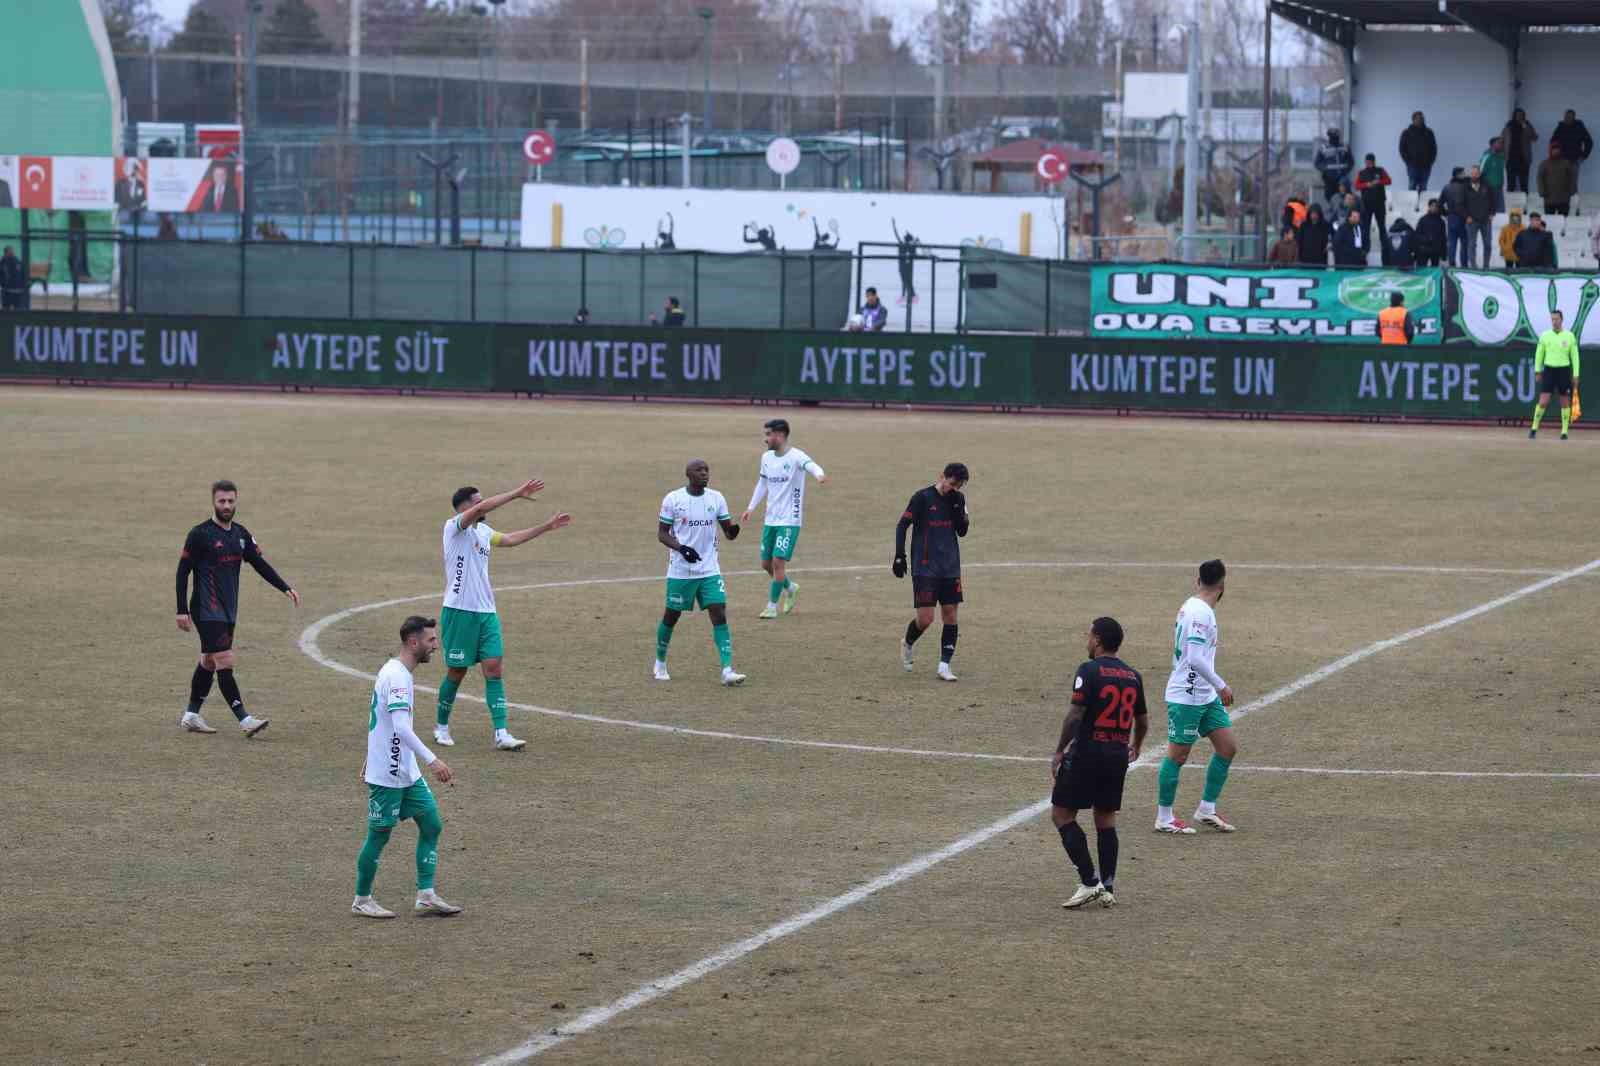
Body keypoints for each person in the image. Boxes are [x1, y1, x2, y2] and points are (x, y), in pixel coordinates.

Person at [434, 480, 572, 751]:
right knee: (457, 670)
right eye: (477, 501)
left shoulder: (483, 532)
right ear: (464, 507)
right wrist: (517, 494)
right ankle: (441, 726)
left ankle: (501, 733)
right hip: (459, 612)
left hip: (486, 612)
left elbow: (509, 539)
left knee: (494, 668)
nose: (482, 505)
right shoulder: (454, 527)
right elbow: (484, 507)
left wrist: (546, 526)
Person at [352, 615, 461, 920]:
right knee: (379, 835)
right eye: (431, 640)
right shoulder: (397, 676)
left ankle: (426, 895)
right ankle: (362, 899)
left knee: (431, 825)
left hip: (406, 771)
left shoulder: (398, 672)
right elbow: (400, 727)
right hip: (387, 772)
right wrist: (434, 760)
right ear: (414, 643)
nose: (436, 646)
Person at [175, 480, 300, 737]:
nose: (226, 506)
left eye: (231, 501)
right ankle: (245, 720)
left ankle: (191, 715)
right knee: (225, 659)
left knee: (209, 661)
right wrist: (181, 609)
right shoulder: (199, 534)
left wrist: (284, 587)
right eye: (222, 501)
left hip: (228, 610)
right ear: (213, 502)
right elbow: (182, 571)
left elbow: (259, 563)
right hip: (205, 609)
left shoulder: (241, 535)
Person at [1050, 616, 1148, 910]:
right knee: (1105, 819)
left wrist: (1059, 751)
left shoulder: (1089, 670)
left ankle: (1089, 882)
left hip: (1087, 753)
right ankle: (1108, 886)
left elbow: (1075, 715)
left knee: (1062, 814)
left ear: (1098, 640)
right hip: (1117, 754)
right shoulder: (1133, 676)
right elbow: (1142, 721)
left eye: (1089, 635)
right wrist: (1136, 745)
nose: (1087, 640)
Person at [1156, 559, 1237, 835]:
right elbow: (1194, 658)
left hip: (1203, 696)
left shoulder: (1191, 606)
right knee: (1177, 756)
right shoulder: (1200, 613)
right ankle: (1164, 817)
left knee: (1227, 747)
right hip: (1187, 695)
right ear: (1223, 586)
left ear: (1197, 580)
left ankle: (1206, 809)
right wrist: (1221, 685)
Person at [655, 459, 746, 686]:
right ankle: (660, 663)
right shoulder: (673, 499)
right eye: (699, 470)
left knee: (719, 612)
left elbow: (728, 531)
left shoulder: (716, 498)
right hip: (681, 571)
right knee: (671, 616)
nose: (704, 474)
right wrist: (681, 549)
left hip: (709, 569)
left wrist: (733, 532)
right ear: (688, 474)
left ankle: (727, 669)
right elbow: (662, 533)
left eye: (707, 470)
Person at [741, 419, 828, 620]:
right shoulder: (766, 458)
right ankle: (790, 587)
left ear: (780, 435)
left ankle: (771, 607)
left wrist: (820, 475)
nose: (766, 439)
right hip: (771, 519)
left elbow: (812, 466)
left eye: (769, 434)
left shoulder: (797, 456)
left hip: (790, 520)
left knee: (778, 563)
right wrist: (751, 508)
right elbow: (762, 483)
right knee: (766, 564)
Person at [893, 462, 970, 682]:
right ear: (942, 477)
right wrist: (900, 555)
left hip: (950, 567)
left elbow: (962, 531)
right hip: (925, 567)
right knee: (926, 619)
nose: (953, 488)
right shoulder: (922, 498)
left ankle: (944, 665)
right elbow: (902, 525)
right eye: (952, 483)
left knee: (951, 615)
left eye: (959, 485)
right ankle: (908, 642)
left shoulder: (958, 499)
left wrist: (959, 511)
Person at [1529, 309, 1580, 441]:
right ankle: (1534, 428)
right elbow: (1539, 354)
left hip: (1564, 370)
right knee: (1543, 401)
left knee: (1564, 402)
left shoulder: (1569, 336)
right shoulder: (1545, 336)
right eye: (1552, 319)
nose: (1554, 322)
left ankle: (1564, 432)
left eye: (1556, 319)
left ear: (1561, 320)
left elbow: (1575, 357)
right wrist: (1537, 370)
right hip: (1549, 370)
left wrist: (1576, 375)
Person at [1354, 153, 1392, 251]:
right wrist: (1366, 185)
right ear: (1365, 162)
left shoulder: (1380, 170)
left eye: (1371, 162)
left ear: (1374, 162)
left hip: (1379, 203)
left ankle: (1385, 247)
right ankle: (1366, 248)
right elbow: (1357, 186)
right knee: (1366, 226)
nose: (1369, 163)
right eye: (1367, 162)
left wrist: (1379, 182)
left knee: (1382, 226)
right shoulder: (1361, 173)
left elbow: (1388, 180)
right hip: (1366, 204)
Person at [1550, 109, 1593, 190]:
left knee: (1572, 184)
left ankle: (1574, 201)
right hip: (1561, 160)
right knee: (1561, 183)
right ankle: (1562, 201)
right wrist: (1555, 151)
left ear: (1574, 117)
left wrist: (1584, 156)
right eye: (1566, 116)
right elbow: (1553, 141)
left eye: (1570, 117)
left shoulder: (1579, 127)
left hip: (1575, 160)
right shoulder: (1560, 127)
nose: (1567, 118)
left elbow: (1589, 142)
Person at [1314, 128, 1354, 214]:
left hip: (1342, 178)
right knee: (1329, 195)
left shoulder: (1345, 147)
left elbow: (1351, 161)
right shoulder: (1323, 148)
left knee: (1347, 195)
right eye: (1333, 137)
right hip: (1329, 178)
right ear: (1329, 137)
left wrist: (1346, 170)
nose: (1335, 139)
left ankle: (1346, 211)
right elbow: (1317, 163)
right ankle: (1334, 210)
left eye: (1337, 137)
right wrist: (1325, 170)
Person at [1398, 111, 1438, 195]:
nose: (1421, 120)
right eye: (1418, 118)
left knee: (1423, 187)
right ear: (1413, 120)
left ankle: (1422, 206)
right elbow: (1402, 149)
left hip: (1426, 166)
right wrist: (1408, 162)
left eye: (1422, 118)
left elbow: (1434, 148)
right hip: (1412, 166)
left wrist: (1431, 161)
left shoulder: (1429, 132)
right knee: (1412, 186)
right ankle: (1412, 206)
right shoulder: (1406, 133)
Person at [1463, 165, 1495, 268]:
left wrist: (1492, 214)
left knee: (1488, 245)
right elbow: (1460, 204)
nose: (1474, 175)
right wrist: (1466, 216)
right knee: (1472, 245)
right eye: (1472, 173)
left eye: (1476, 173)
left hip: (1486, 220)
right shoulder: (1465, 186)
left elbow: (1494, 201)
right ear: (1470, 174)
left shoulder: (1487, 185)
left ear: (1479, 174)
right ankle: (1473, 266)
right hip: (1472, 221)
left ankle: (1486, 266)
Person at [1502, 108, 1539, 195]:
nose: (1519, 117)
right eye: (1518, 115)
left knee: (1524, 184)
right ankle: (1510, 205)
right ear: (1514, 115)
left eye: (1521, 115)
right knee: (1511, 184)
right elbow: (1502, 139)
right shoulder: (1509, 125)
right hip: (1510, 159)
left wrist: (1525, 126)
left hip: (1524, 159)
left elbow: (1534, 137)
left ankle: (1525, 206)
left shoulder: (1527, 125)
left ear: (1524, 116)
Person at [1538, 143, 1578, 217]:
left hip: (1564, 199)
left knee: (1564, 221)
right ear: (1550, 151)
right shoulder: (1544, 164)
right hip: (1549, 198)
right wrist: (1542, 192)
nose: (1556, 151)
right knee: (1550, 222)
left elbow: (1572, 177)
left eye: (1558, 150)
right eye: (1554, 150)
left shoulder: (1566, 163)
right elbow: (1540, 178)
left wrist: (1572, 190)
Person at [1440, 168, 1469, 267]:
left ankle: (1452, 263)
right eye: (1463, 173)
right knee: (1464, 242)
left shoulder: (1446, 187)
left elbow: (1440, 204)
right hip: (1463, 218)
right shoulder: (1465, 187)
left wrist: (1446, 213)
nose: (1465, 175)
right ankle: (1464, 265)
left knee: (1452, 242)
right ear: (1458, 175)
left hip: (1451, 218)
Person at [891, 219, 919, 305]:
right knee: (906, 282)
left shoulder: (907, 245)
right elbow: (897, 235)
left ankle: (909, 297)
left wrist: (894, 226)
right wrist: (894, 226)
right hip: (904, 267)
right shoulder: (908, 245)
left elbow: (897, 235)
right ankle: (907, 297)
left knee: (907, 282)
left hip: (905, 267)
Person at [1413, 198, 1447, 267]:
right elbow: (1417, 236)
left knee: (1435, 272)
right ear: (1429, 207)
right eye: (1432, 206)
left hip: (1436, 250)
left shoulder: (1441, 222)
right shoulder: (1422, 220)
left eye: (1436, 206)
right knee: (1421, 270)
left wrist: (1444, 255)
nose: (1434, 208)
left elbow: (1443, 238)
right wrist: (1427, 239)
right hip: (1423, 249)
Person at [1478, 137, 1507, 213]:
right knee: (1490, 212)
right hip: (1489, 188)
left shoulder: (1502, 156)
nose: (1501, 145)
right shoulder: (1487, 156)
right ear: (1493, 144)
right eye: (1499, 143)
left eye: (1502, 143)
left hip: (1499, 187)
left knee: (1501, 212)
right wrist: (1483, 187)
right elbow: (1480, 172)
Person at [0, 245, 23, 311]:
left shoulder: (16, 261)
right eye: (10, 252)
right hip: (8, 290)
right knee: (7, 308)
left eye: (11, 252)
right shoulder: (3, 262)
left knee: (15, 308)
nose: (11, 253)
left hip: (13, 289)